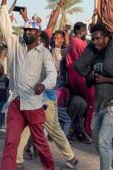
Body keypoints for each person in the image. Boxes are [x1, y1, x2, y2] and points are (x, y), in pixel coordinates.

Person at [0, 0, 57, 170]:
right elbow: (6, 28)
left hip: (34, 103)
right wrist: (4, 1)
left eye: (31, 30)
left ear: (38, 34)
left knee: (40, 143)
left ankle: (49, 167)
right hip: (17, 101)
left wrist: (43, 84)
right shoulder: (16, 44)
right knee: (11, 142)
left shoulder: (44, 52)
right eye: (25, 30)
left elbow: (52, 75)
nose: (27, 33)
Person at [16, 29, 78, 170]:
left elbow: (51, 77)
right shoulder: (30, 53)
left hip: (47, 100)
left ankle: (71, 158)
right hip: (32, 99)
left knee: (54, 129)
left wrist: (42, 86)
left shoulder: (46, 55)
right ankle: (17, 161)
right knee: (25, 127)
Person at [75, 23, 113, 170]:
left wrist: (106, 79)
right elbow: (83, 70)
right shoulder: (95, 56)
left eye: (98, 39)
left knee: (103, 141)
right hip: (99, 105)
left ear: (107, 38)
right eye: (92, 39)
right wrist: (92, 76)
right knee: (99, 143)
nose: (95, 42)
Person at [67, 22, 94, 140]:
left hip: (71, 77)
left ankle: (74, 129)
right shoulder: (82, 44)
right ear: (83, 32)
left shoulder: (71, 42)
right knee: (92, 103)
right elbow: (88, 60)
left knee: (80, 103)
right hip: (81, 77)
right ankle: (87, 129)